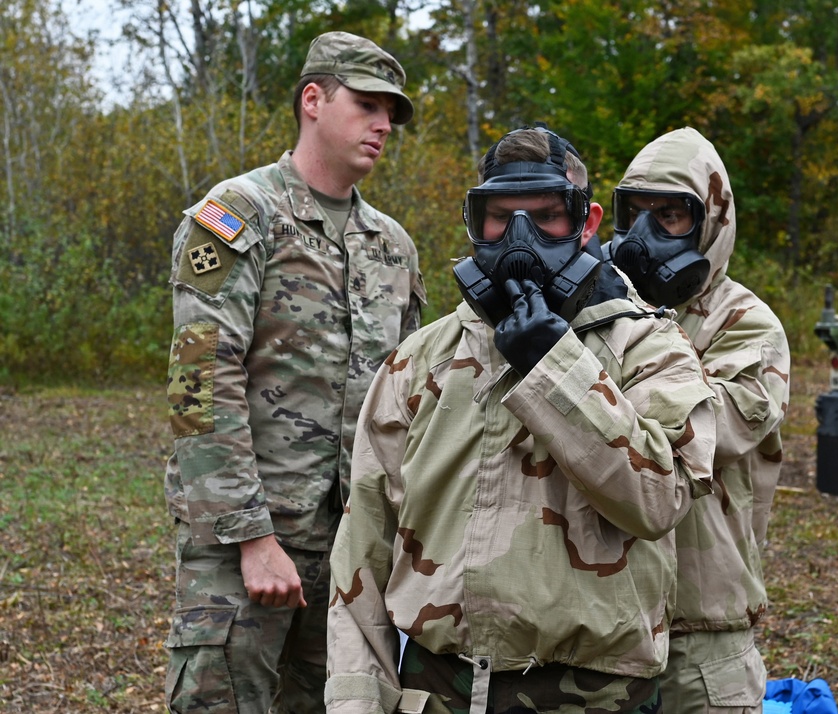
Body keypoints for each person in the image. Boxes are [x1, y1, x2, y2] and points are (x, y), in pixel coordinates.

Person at [325, 125, 718, 714]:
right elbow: (362, 551)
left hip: (595, 694)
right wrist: (356, 701)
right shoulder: (421, 359)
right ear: (474, 223)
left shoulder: (651, 347)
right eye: (499, 216)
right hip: (440, 688)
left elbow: (659, 501)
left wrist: (555, 368)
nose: (519, 237)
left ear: (585, 225)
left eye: (546, 215)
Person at [162, 31, 425, 714]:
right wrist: (252, 538)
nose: (383, 125)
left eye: (391, 114)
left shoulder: (392, 246)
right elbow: (198, 385)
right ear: (313, 99)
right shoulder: (238, 216)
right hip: (245, 548)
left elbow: (411, 401)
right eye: (367, 105)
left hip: (354, 556)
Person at [606, 127, 791, 714]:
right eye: (633, 214)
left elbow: (702, 433)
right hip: (607, 621)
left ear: (710, 221)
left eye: (668, 216)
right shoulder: (604, 309)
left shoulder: (747, 325)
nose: (642, 236)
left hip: (701, 626)